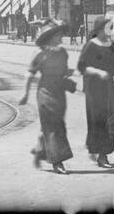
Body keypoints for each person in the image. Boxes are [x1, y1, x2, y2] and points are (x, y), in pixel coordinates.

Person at [19, 19, 74, 174]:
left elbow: (63, 70)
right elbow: (30, 74)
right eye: (58, 35)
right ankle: (58, 162)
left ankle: (39, 150)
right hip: (45, 92)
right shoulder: (39, 53)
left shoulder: (63, 53)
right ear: (50, 37)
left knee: (52, 125)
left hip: (59, 92)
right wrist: (25, 93)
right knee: (55, 126)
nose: (61, 37)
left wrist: (67, 72)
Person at [77, 14, 114, 168]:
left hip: (108, 85)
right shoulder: (91, 45)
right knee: (98, 120)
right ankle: (101, 155)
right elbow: (82, 67)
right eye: (108, 27)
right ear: (99, 29)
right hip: (93, 87)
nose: (110, 30)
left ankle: (98, 148)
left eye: (111, 27)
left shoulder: (112, 45)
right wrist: (98, 72)